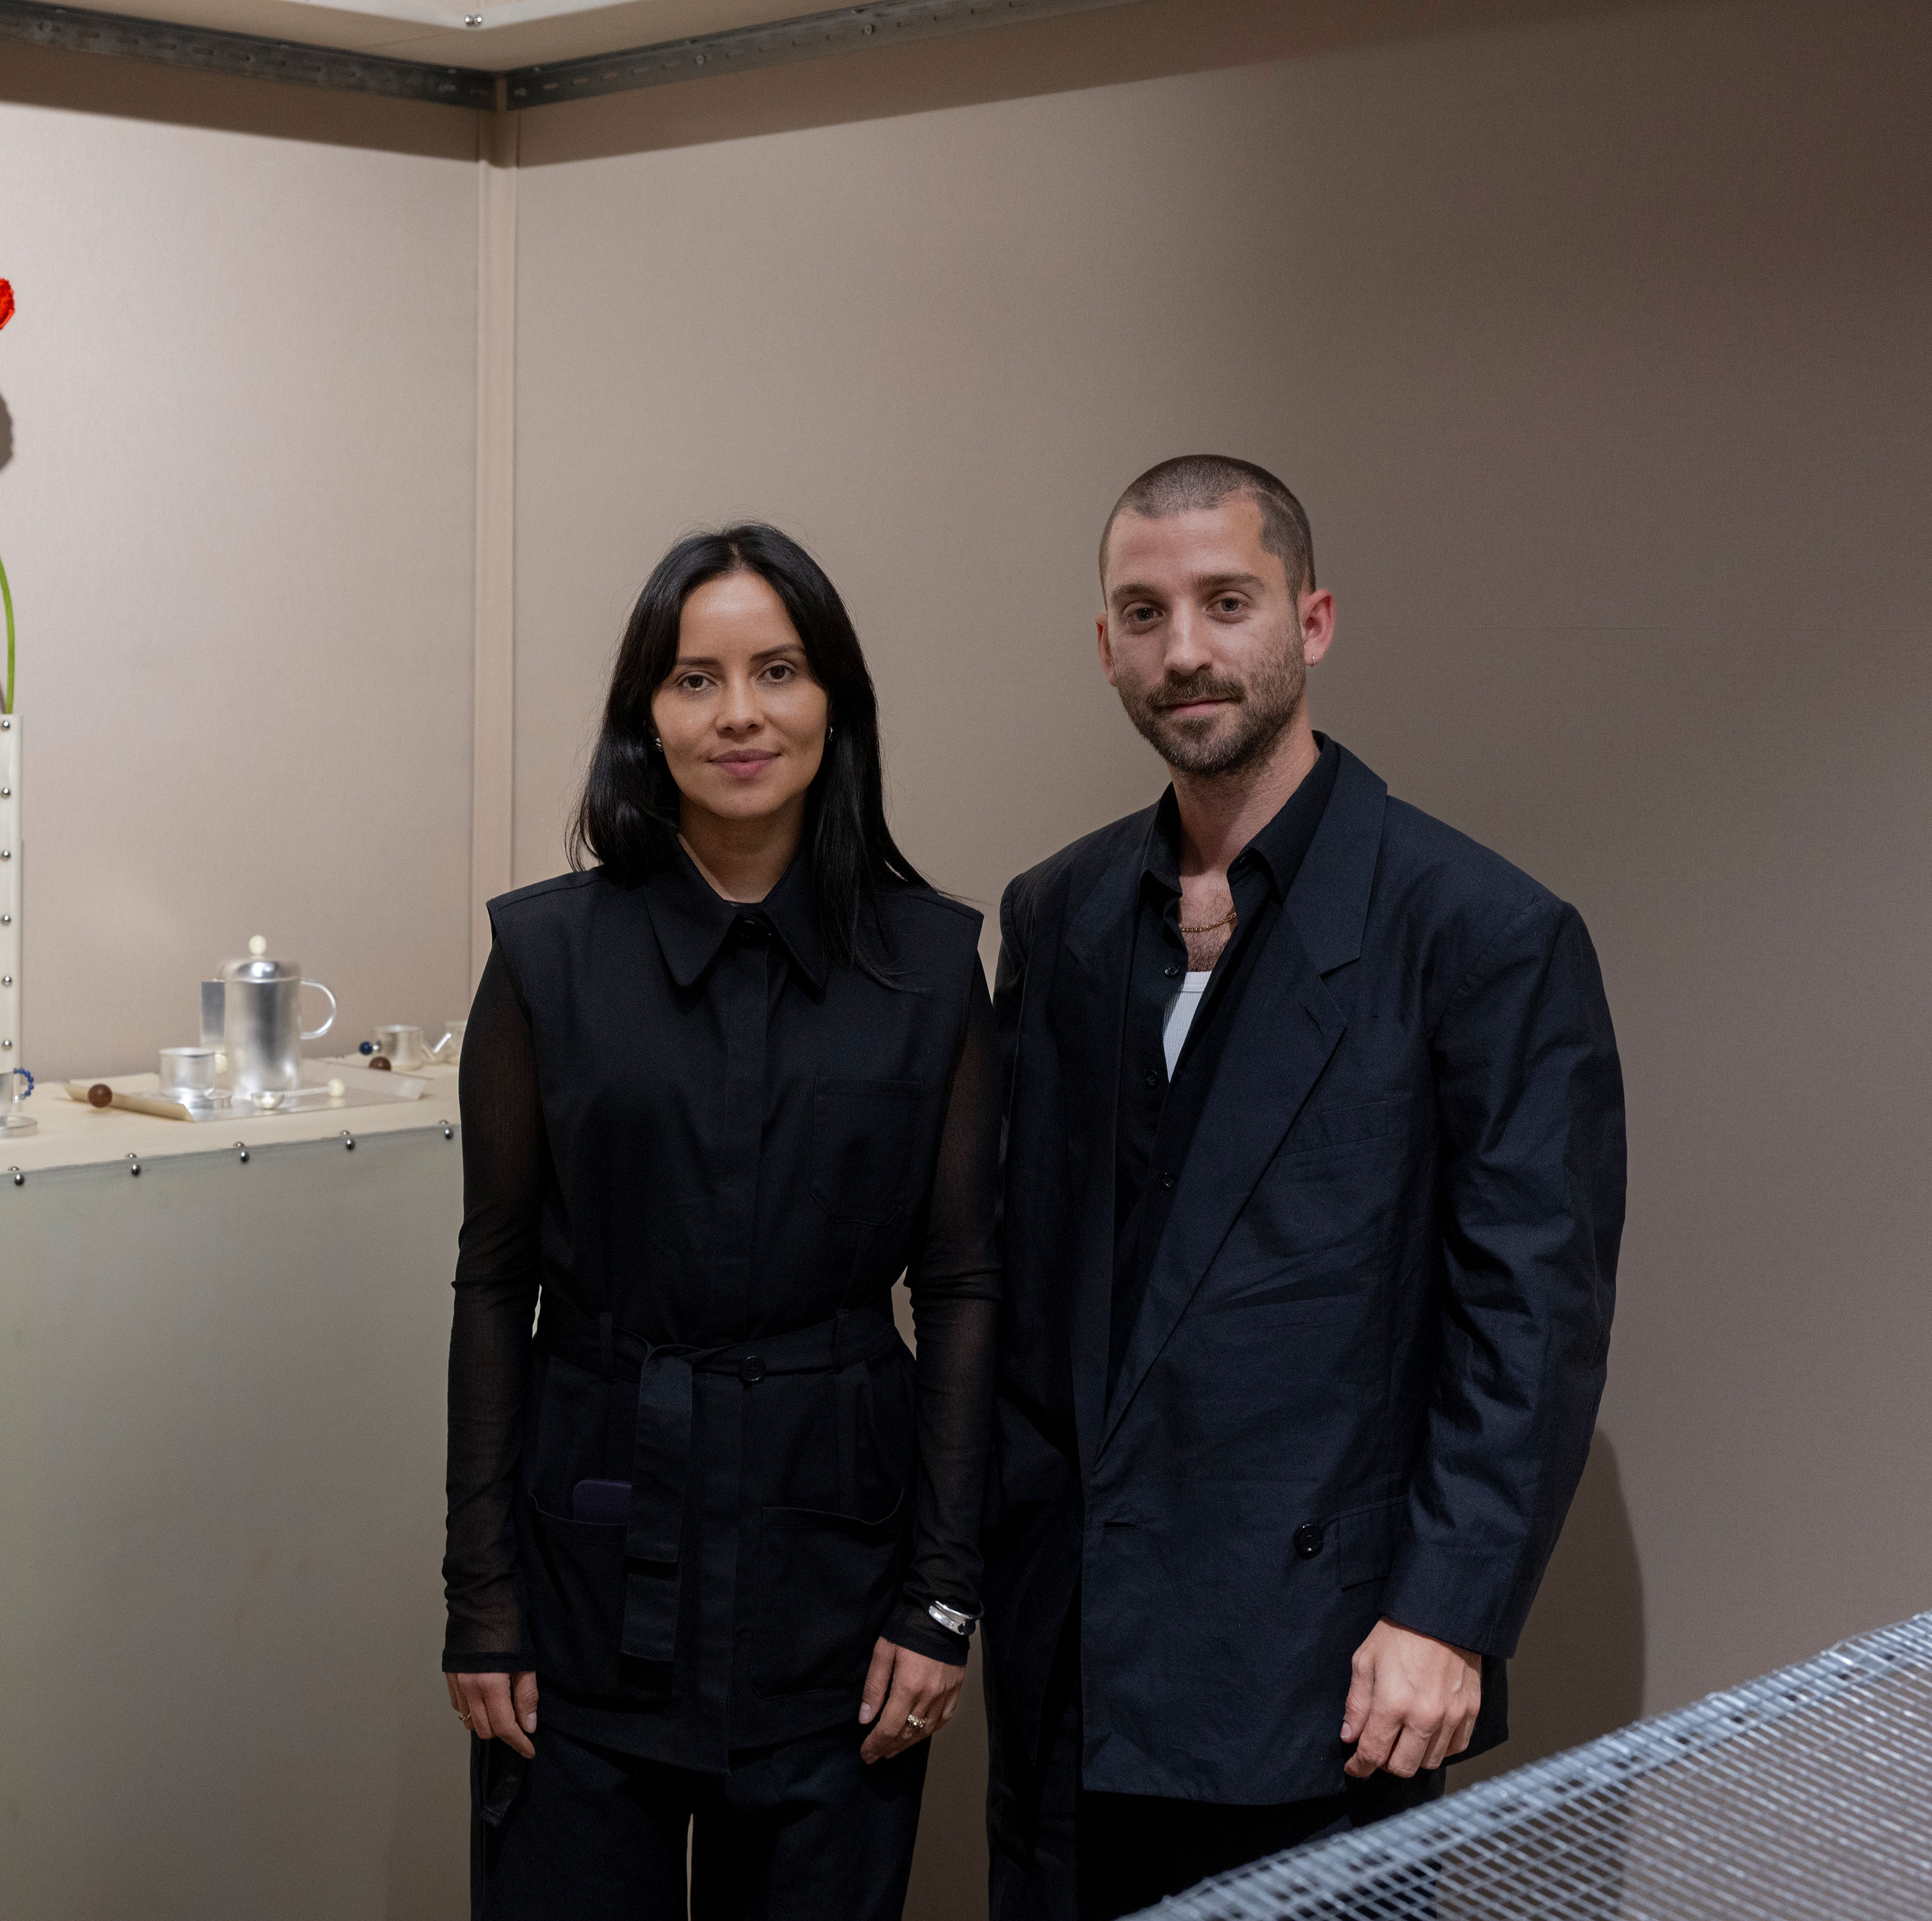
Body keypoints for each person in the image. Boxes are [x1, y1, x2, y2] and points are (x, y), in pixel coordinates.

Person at [982, 456, 1625, 1918]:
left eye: (1226, 602)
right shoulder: (1058, 915)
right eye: (1141, 615)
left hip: (1325, 1669)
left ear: (1311, 621)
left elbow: (1529, 1315)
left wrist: (1443, 1617)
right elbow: (1026, 1288)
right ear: (1104, 647)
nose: (1185, 651)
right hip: (1069, 1659)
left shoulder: (1480, 931)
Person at [443, 523, 1001, 1917]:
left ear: (834, 704)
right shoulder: (543, 958)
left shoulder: (930, 964)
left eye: (778, 671)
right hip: (585, 1579)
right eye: (694, 679)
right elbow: (489, 1286)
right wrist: (481, 1596)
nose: (738, 713)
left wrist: (940, 1597)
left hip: (837, 1584)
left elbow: (963, 1289)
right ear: (647, 714)